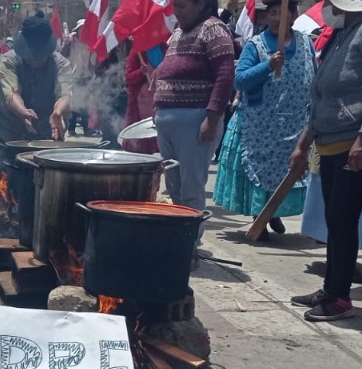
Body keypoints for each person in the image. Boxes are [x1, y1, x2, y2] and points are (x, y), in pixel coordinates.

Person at [286, 0, 362, 323]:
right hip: (334, 139)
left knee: (342, 215)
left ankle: (339, 297)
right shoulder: (346, 30)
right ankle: (331, 288)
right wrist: (303, 143)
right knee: (334, 217)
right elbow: (325, 94)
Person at [213, 0, 315, 241]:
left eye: (282, 12)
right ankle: (260, 217)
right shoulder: (255, 45)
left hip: (293, 125)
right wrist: (267, 65)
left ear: (293, 15)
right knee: (260, 170)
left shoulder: (305, 43)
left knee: (285, 171)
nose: (276, 18)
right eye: (272, 13)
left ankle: (274, 211)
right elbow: (240, 80)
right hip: (260, 124)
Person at [153, 0, 235, 221]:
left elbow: (225, 75)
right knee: (173, 186)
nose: (176, 12)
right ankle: (179, 235)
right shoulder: (179, 32)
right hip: (167, 121)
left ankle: (191, 241)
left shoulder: (213, 29)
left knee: (191, 188)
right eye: (175, 6)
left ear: (200, 5)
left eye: (181, 7)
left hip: (195, 121)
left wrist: (212, 118)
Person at [0, 15, 74, 150]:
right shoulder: (9, 61)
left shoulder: (61, 64)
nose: (34, 61)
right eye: (30, 57)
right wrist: (23, 112)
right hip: (8, 127)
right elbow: (11, 92)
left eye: (39, 56)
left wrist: (58, 112)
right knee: (7, 169)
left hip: (47, 128)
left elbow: (65, 94)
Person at [122, 43, 161, 154]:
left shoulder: (165, 48)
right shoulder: (137, 52)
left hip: (159, 101)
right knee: (139, 146)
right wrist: (141, 72)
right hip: (139, 105)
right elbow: (128, 77)